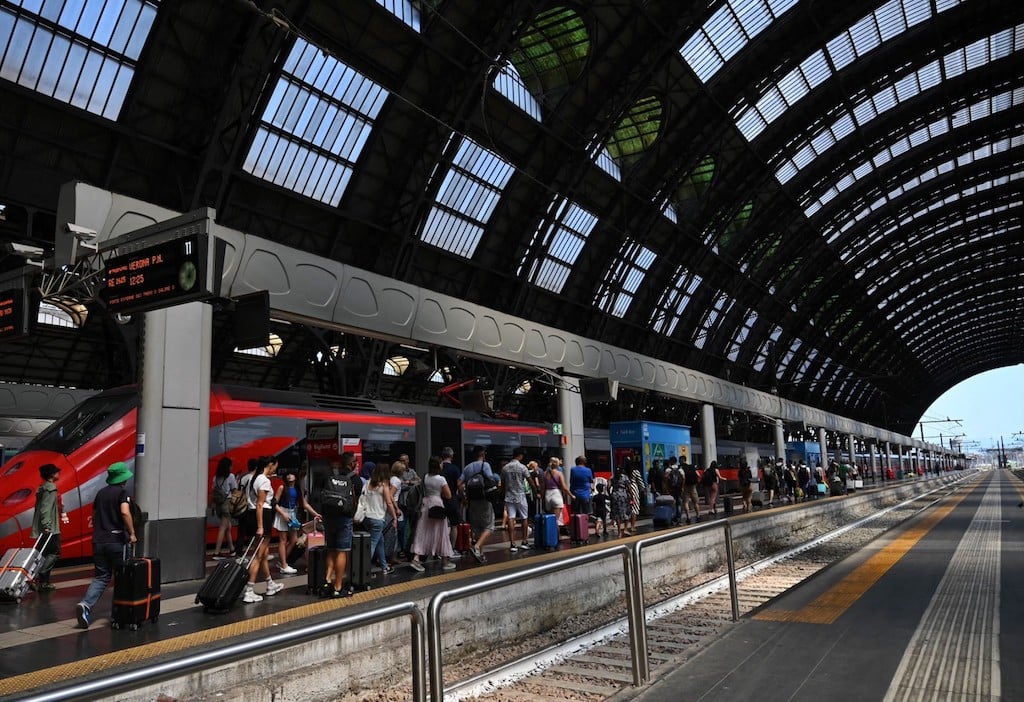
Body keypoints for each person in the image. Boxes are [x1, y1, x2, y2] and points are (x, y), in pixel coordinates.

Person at [75, 462, 138, 628]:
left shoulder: (101, 493)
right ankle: (118, 614)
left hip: (99, 541)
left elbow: (95, 516)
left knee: (101, 577)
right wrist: (132, 533)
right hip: (117, 541)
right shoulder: (122, 493)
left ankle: (86, 605)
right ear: (122, 479)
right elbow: (125, 512)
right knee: (122, 578)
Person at [241, 456, 284, 604]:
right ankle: (249, 590)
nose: (275, 470)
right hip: (261, 517)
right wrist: (261, 526)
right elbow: (260, 504)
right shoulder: (264, 480)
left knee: (263, 554)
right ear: (270, 465)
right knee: (258, 556)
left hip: (252, 516)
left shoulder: (253, 478)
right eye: (275, 467)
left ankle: (270, 583)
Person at [322, 451, 362, 597]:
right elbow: (356, 502)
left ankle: (326, 580)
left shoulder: (331, 476)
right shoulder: (355, 480)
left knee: (331, 549)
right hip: (344, 518)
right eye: (355, 462)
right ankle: (338, 587)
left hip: (329, 518)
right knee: (342, 551)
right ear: (351, 464)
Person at [408, 456, 457, 572]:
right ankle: (445, 561)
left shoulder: (425, 477)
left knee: (422, 532)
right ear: (438, 465)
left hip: (426, 505)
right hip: (437, 505)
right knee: (441, 533)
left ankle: (416, 558)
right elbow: (448, 495)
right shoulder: (441, 479)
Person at [274, 470, 320, 574]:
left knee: (294, 540)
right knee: (283, 540)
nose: (289, 476)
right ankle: (284, 564)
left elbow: (305, 504)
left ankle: (282, 561)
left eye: (291, 474)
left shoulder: (298, 489)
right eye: (288, 475)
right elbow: (274, 503)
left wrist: (315, 514)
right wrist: (283, 514)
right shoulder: (282, 488)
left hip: (292, 514)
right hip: (283, 514)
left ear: (296, 477)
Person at [458, 446, 497, 563]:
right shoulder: (485, 465)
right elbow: (489, 480)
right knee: (489, 527)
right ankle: (476, 546)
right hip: (484, 500)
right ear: (483, 454)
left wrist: (464, 498)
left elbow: (459, 483)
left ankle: (480, 553)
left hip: (472, 500)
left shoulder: (467, 468)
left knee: (477, 528)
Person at [364, 462, 400, 575]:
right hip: (377, 519)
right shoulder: (383, 485)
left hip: (366, 518)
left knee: (380, 541)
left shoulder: (368, 483)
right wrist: (394, 517)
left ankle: (384, 567)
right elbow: (389, 502)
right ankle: (364, 571)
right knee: (373, 544)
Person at [31, 463, 63, 592]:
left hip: (42, 527)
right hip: (50, 528)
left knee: (42, 554)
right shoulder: (50, 488)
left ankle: (42, 582)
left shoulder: (42, 487)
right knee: (54, 552)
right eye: (56, 472)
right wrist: (47, 526)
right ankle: (41, 576)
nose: (58, 473)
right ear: (51, 475)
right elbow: (46, 509)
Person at [500, 447, 532, 552]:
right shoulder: (522, 467)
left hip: (509, 496)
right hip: (521, 495)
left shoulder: (505, 468)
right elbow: (530, 480)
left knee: (511, 518)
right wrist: (536, 491)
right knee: (524, 518)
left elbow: (502, 484)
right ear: (520, 456)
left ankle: (512, 543)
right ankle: (524, 541)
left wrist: (503, 493)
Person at [210, 457, 237, 559]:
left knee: (227, 528)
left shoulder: (216, 477)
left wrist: (211, 506)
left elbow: (213, 492)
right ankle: (216, 553)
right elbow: (234, 490)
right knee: (223, 528)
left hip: (218, 506)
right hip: (227, 504)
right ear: (228, 466)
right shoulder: (231, 476)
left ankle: (232, 550)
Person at [234, 458, 259, 557]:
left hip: (242, 508)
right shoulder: (255, 479)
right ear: (256, 467)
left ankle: (238, 553)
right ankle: (257, 554)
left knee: (241, 532)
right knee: (254, 533)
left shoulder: (243, 477)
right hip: (252, 508)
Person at [440, 447, 462, 554]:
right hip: (452, 499)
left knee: (440, 526)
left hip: (439, 500)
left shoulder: (438, 469)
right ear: (452, 456)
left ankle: (439, 550)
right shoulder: (455, 469)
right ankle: (451, 549)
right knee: (454, 525)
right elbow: (459, 484)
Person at [541, 456, 571, 527]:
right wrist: (571, 495)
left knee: (550, 519)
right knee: (556, 521)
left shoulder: (544, 474)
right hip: (556, 495)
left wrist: (542, 497)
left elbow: (543, 488)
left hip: (547, 496)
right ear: (557, 464)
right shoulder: (559, 473)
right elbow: (564, 487)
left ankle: (548, 536)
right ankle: (556, 537)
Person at [609, 464, 632, 536]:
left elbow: (608, 486)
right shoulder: (625, 477)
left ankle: (619, 532)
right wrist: (632, 496)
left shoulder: (612, 477)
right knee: (627, 512)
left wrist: (611, 494)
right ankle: (625, 529)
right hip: (623, 496)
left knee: (617, 514)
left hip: (615, 496)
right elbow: (629, 487)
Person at [628, 459, 644, 533]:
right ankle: (632, 526)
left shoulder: (625, 472)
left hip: (626, 490)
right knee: (634, 508)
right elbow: (640, 481)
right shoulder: (635, 471)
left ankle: (626, 526)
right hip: (634, 489)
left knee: (629, 508)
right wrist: (643, 490)